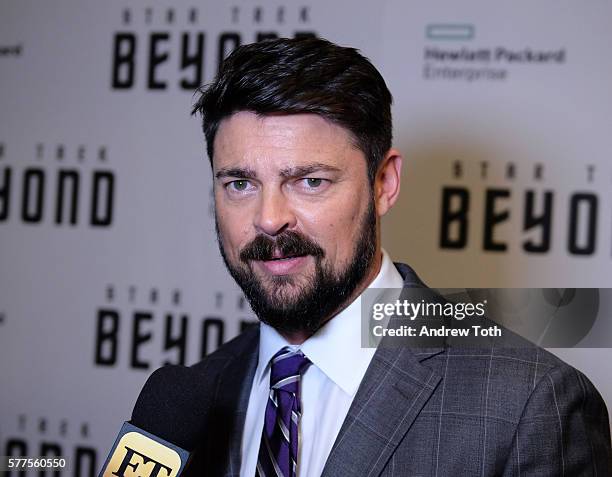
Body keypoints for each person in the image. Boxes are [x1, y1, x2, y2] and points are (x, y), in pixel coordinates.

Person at [183, 37, 611, 476]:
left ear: (384, 184)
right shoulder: (194, 397)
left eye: (310, 181)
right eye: (239, 184)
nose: (269, 219)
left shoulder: (530, 405)